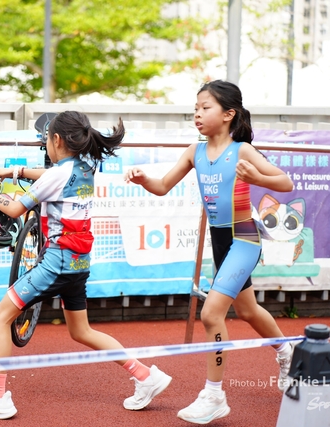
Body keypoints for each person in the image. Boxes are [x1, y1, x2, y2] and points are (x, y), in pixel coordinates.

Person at [0, 111, 172, 419]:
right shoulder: (85, 167)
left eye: (46, 139)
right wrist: (16, 171)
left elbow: (16, 208)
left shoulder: (57, 174)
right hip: (78, 264)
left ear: (56, 140)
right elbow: (50, 176)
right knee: (82, 331)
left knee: (0, 317)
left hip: (55, 264)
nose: (45, 143)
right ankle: (145, 376)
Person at [125, 80, 295, 425]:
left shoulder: (242, 150)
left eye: (205, 108)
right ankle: (286, 351)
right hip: (220, 241)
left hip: (244, 238)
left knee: (211, 314)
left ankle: (214, 395)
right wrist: (144, 180)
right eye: (196, 109)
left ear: (228, 114)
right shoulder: (194, 152)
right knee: (247, 310)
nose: (198, 114)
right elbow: (162, 186)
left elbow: (286, 183)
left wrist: (256, 177)